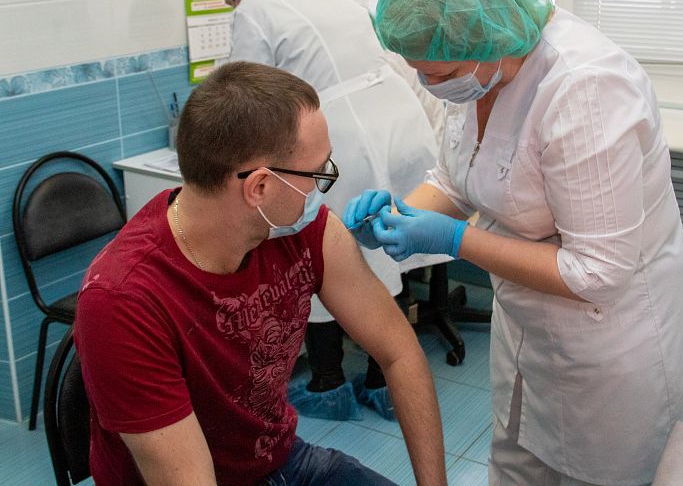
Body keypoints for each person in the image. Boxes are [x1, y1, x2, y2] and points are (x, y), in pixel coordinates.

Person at [344, 0, 683, 486]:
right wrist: (398, 213)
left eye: (440, 73)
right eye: (420, 73)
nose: (432, 86)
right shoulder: (478, 71)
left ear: (487, 43)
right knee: (515, 464)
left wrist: (455, 240)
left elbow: (598, 272)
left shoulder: (586, 89)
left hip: (607, 347)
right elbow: (457, 177)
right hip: (526, 329)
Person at [73, 61, 447, 486]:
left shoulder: (302, 229)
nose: (322, 188)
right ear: (260, 188)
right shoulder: (123, 301)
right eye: (317, 173)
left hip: (279, 460)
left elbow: (400, 354)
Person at [213, 0, 443, 422]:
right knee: (386, 247)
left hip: (342, 137)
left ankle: (327, 382)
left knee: (316, 251)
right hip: (399, 123)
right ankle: (384, 384)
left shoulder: (255, 10)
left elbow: (246, 94)